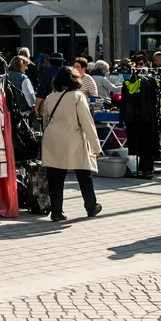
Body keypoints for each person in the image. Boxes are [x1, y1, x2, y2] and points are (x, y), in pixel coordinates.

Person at [40, 65, 103, 223]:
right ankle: (91, 206)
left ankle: (56, 211)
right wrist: (96, 146)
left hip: (52, 137)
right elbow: (87, 123)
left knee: (55, 176)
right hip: (73, 137)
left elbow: (45, 120)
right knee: (83, 173)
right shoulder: (78, 96)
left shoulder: (50, 97)